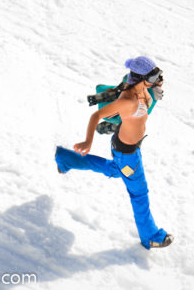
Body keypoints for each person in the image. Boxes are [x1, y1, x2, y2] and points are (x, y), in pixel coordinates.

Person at [55, 56, 173, 249]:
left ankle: (65, 159)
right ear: (140, 78)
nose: (156, 81)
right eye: (152, 79)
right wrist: (88, 141)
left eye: (158, 76)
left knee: (114, 170)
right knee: (139, 193)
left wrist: (155, 84)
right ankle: (150, 236)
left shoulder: (140, 85)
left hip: (127, 147)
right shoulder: (128, 101)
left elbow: (148, 82)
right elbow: (96, 115)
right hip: (127, 153)